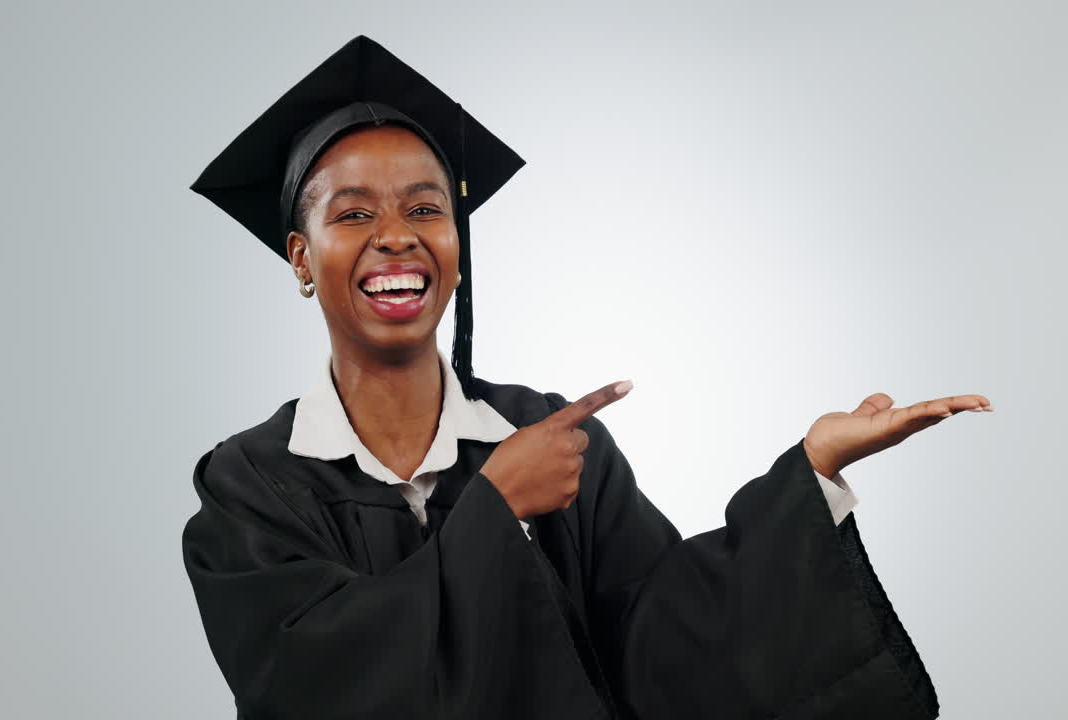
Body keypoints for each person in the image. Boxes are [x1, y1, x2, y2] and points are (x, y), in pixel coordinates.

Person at [182, 34, 990, 720]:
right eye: (353, 214)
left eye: (426, 209)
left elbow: (667, 646)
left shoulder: (558, 441)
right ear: (299, 257)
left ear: (457, 245)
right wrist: (494, 508)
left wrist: (810, 474)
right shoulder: (252, 484)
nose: (397, 237)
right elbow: (312, 684)